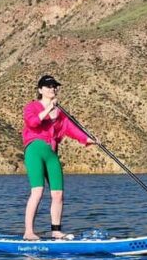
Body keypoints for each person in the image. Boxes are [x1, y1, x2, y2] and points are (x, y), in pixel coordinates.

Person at [21, 75, 95, 240]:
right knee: (38, 191)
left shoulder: (61, 114)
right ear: (40, 90)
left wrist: (88, 139)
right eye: (48, 86)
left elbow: (71, 129)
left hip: (51, 153)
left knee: (58, 194)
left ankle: (56, 230)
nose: (52, 89)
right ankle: (28, 232)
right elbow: (32, 122)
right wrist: (48, 109)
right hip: (35, 149)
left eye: (54, 86)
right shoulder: (32, 107)